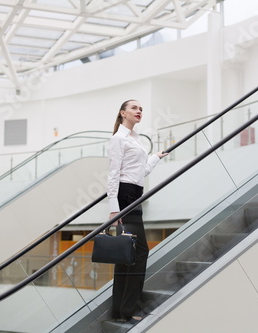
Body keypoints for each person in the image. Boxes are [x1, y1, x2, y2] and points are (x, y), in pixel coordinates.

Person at [106, 99, 168, 322]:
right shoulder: (118, 139)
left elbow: (140, 172)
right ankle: (129, 310)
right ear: (123, 113)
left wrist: (155, 158)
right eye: (134, 108)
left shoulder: (136, 139)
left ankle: (121, 311)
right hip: (124, 196)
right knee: (139, 251)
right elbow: (114, 174)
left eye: (141, 109)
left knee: (128, 254)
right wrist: (114, 209)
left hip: (135, 194)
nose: (139, 111)